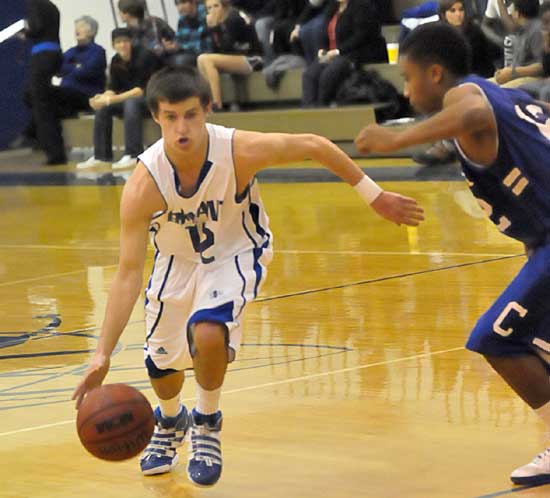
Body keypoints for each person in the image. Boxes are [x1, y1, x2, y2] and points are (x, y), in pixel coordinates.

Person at [72, 66, 424, 487]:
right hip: (176, 263)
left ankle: (206, 419)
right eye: (170, 117)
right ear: (156, 118)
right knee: (161, 366)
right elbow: (128, 274)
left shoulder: (237, 150)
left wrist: (375, 195)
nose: (181, 128)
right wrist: (102, 355)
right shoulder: (144, 184)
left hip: (236, 251)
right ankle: (171, 421)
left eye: (190, 114)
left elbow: (315, 145)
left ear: (207, 109)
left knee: (207, 332)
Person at [355, 22, 550, 486]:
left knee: (496, 339)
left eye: (408, 77)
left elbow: (472, 114)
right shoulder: (512, 96)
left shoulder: (466, 99)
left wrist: (395, 139)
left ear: (435, 73)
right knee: (538, 342)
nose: (406, 89)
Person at [15, 16, 107, 151]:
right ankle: (43, 139)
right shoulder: (71, 51)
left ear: (91, 31)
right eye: (77, 26)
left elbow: (85, 72)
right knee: (39, 99)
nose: (77, 29)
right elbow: (57, 69)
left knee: (44, 96)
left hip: (87, 95)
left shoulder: (98, 52)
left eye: (81, 26)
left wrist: (71, 69)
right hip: (66, 95)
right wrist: (75, 67)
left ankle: (31, 133)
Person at [77, 28, 162, 170]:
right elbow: (112, 88)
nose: (122, 45)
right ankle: (101, 156)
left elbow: (139, 91)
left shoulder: (144, 56)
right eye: (118, 42)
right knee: (103, 108)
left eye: (125, 41)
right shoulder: (116, 60)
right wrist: (102, 98)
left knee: (131, 104)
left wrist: (111, 100)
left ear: (131, 42)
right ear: (113, 45)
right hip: (132, 100)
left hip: (154, 98)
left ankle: (133, 154)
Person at [301, 0, 388, 107]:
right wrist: (322, 49)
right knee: (310, 74)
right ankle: (309, 111)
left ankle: (322, 108)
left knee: (328, 75)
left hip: (355, 53)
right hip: (333, 55)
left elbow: (361, 36)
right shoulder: (332, 7)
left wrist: (338, 51)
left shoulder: (362, 6)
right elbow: (323, 32)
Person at [197, 0, 263, 111]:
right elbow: (215, 50)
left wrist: (214, 28)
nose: (212, 11)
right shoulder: (219, 22)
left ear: (224, 6)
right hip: (235, 58)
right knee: (201, 59)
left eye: (216, 6)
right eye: (209, 8)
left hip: (253, 59)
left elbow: (228, 48)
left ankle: (216, 104)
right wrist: (212, 30)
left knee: (206, 59)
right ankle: (208, 101)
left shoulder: (234, 18)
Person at [22, 0, 65, 165]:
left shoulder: (34, 4)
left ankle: (53, 152)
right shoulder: (52, 6)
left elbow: (36, 27)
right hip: (55, 53)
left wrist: (26, 32)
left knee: (41, 106)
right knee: (36, 97)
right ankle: (34, 132)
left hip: (42, 55)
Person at [163, 0, 212, 68]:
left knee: (179, 61)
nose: (180, 7)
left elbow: (205, 47)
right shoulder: (182, 19)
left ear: (193, 2)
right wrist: (171, 46)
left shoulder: (206, 15)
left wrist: (180, 47)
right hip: (188, 52)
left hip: (204, 54)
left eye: (183, 3)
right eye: (177, 4)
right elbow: (179, 40)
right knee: (162, 57)